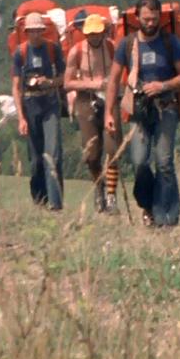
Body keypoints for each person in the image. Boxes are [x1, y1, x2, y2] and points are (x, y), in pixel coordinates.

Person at [104, 0, 180, 227]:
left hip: (166, 108)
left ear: (159, 18)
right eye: (146, 19)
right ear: (137, 18)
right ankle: (148, 206)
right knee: (139, 161)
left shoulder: (170, 42)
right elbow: (113, 81)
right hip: (139, 111)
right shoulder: (127, 44)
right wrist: (108, 114)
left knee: (164, 162)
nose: (150, 23)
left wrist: (162, 86)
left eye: (154, 19)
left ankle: (168, 218)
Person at [64, 14, 121, 214]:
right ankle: (99, 187)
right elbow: (67, 83)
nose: (95, 37)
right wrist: (92, 83)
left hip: (110, 99)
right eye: (91, 34)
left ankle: (112, 196)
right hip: (85, 100)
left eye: (98, 33)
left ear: (104, 31)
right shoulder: (76, 52)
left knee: (113, 149)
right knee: (92, 154)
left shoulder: (113, 47)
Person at [11, 12, 65, 211]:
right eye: (31, 31)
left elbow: (63, 77)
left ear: (43, 31)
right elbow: (16, 87)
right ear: (26, 32)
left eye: (38, 30)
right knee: (35, 159)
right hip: (30, 105)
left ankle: (56, 203)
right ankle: (39, 200)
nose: (35, 34)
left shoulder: (53, 49)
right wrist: (21, 118)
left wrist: (49, 82)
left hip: (50, 102)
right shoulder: (20, 52)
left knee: (53, 154)